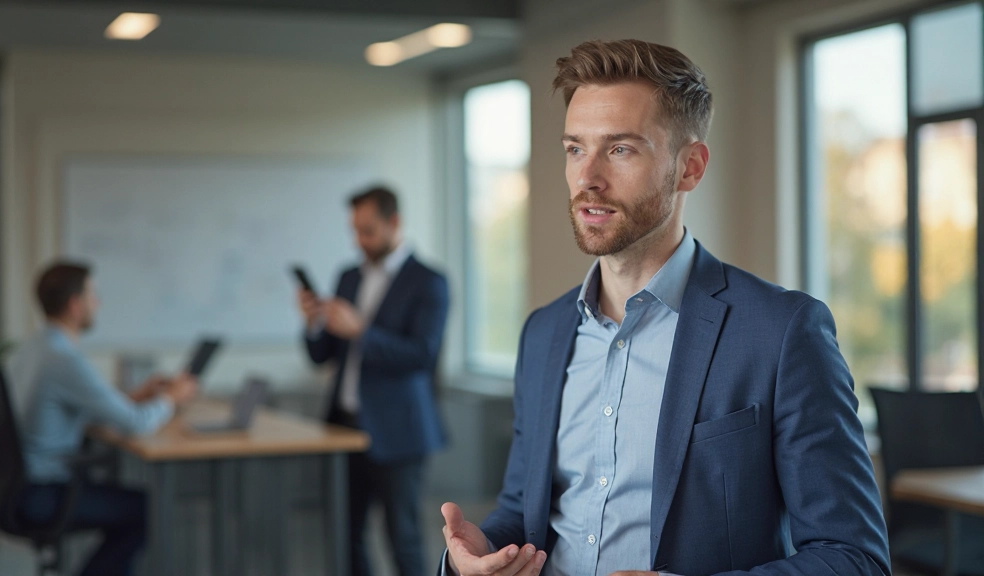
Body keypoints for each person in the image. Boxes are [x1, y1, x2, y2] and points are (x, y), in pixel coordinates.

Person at [440, 40, 890, 576]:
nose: (588, 179)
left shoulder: (782, 331)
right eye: (575, 149)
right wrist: (477, 553)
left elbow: (854, 557)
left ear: (690, 168)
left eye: (621, 149)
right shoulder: (543, 333)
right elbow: (526, 512)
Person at [300, 186, 449, 576]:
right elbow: (322, 356)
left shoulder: (429, 281)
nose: (359, 240)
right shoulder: (348, 276)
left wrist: (361, 331)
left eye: (367, 230)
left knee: (403, 536)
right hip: (344, 425)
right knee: (344, 533)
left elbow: (422, 356)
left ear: (394, 222)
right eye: (355, 230)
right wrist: (314, 322)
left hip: (399, 428)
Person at [13, 261, 197, 576]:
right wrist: (171, 398)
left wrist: (136, 396)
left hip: (18, 487)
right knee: (150, 509)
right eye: (93, 295)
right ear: (75, 305)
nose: (98, 303)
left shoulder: (34, 348)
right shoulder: (65, 359)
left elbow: (87, 405)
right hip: (45, 491)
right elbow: (136, 424)